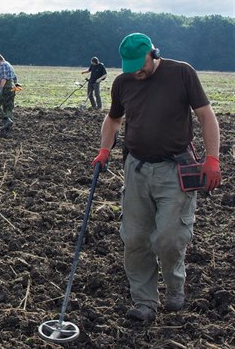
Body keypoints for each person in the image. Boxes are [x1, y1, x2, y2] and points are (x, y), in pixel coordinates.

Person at [91, 33, 222, 322]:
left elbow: (205, 116)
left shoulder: (182, 73)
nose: (136, 72)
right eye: (130, 67)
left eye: (140, 65)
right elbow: (113, 119)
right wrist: (104, 149)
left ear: (154, 54)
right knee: (135, 237)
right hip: (136, 168)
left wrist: (212, 158)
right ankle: (145, 300)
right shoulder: (123, 82)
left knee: (169, 238)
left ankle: (175, 285)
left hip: (174, 168)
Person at [0, 54, 18, 134]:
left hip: (6, 88)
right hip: (12, 88)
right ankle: (8, 129)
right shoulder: (9, 65)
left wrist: (1, 89)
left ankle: (5, 120)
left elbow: (4, 78)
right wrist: (15, 88)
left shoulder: (2, 65)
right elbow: (15, 79)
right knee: (8, 108)